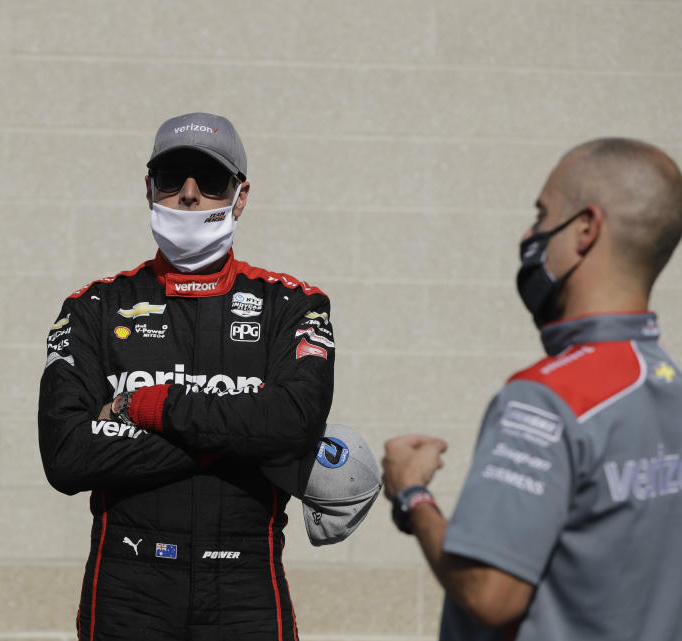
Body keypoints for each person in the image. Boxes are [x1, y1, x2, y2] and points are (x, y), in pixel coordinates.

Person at [38, 112, 335, 641]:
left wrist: (144, 408)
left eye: (211, 180)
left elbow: (293, 423)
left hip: (247, 590)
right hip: (127, 591)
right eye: (173, 178)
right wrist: (243, 435)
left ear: (240, 197)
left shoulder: (294, 304)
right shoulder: (94, 307)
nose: (190, 195)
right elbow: (67, 455)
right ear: (150, 189)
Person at [382, 138, 682, 640]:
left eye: (542, 216)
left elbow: (489, 593)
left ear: (586, 229)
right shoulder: (668, 387)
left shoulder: (546, 398)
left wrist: (412, 494)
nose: (529, 233)